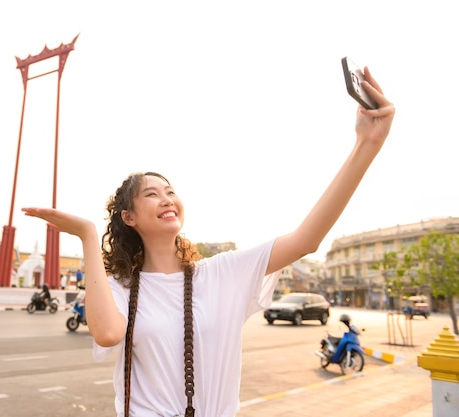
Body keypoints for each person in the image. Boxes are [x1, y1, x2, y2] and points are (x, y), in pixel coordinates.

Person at [22, 67, 394, 417]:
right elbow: (106, 334)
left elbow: (305, 240)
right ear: (129, 218)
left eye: (170, 191)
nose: (167, 198)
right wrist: (88, 235)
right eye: (152, 194)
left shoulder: (221, 273)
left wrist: (367, 144)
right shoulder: (122, 287)